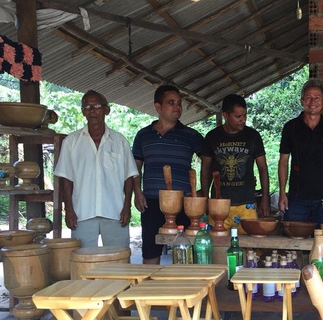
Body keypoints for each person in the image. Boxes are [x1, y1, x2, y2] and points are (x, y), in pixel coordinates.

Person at [54, 90, 138, 248]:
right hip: (82, 212)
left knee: (118, 263)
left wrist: (127, 207)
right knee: (84, 264)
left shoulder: (120, 142)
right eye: (87, 106)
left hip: (114, 211)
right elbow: (66, 179)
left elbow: (129, 177)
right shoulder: (71, 142)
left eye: (97, 106)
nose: (92, 110)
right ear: (83, 112)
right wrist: (69, 210)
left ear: (107, 110)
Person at [132, 84, 204, 264]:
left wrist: (202, 191)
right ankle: (150, 288)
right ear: (158, 107)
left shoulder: (191, 135)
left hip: (183, 202)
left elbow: (209, 160)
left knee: (186, 252)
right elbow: (135, 167)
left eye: (179, 103)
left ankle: (187, 290)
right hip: (151, 201)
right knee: (150, 251)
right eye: (171, 103)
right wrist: (137, 193)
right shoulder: (143, 135)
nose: (177, 107)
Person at [200, 94, 270, 234]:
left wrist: (265, 198)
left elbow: (262, 168)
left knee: (248, 249)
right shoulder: (212, 137)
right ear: (225, 115)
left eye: (245, 115)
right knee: (219, 248)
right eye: (238, 116)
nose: (243, 120)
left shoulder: (253, 136)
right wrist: (205, 198)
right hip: (219, 204)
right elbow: (205, 169)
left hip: (246, 203)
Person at [278, 79, 323, 225]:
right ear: (302, 101)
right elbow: (283, 162)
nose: (312, 102)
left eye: (317, 98)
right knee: (293, 242)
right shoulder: (290, 127)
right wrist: (282, 193)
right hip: (297, 197)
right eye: (308, 98)